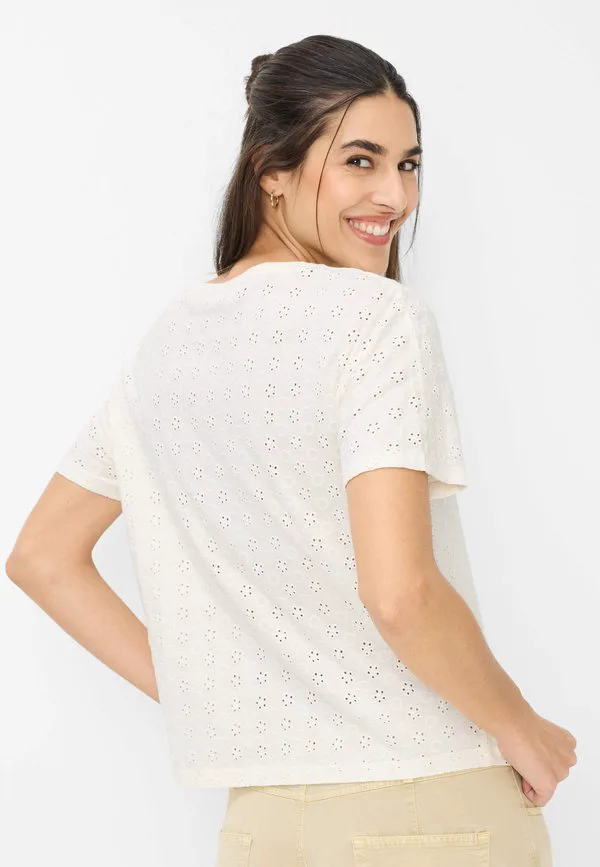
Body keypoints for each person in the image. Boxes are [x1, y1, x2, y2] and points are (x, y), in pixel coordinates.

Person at [6, 33, 575, 867]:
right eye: (360, 160)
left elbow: (43, 557)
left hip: (263, 824)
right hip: (431, 805)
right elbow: (401, 593)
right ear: (271, 170)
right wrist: (522, 727)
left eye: (409, 165)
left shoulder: (166, 345)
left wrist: (226, 699)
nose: (395, 195)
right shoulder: (378, 318)